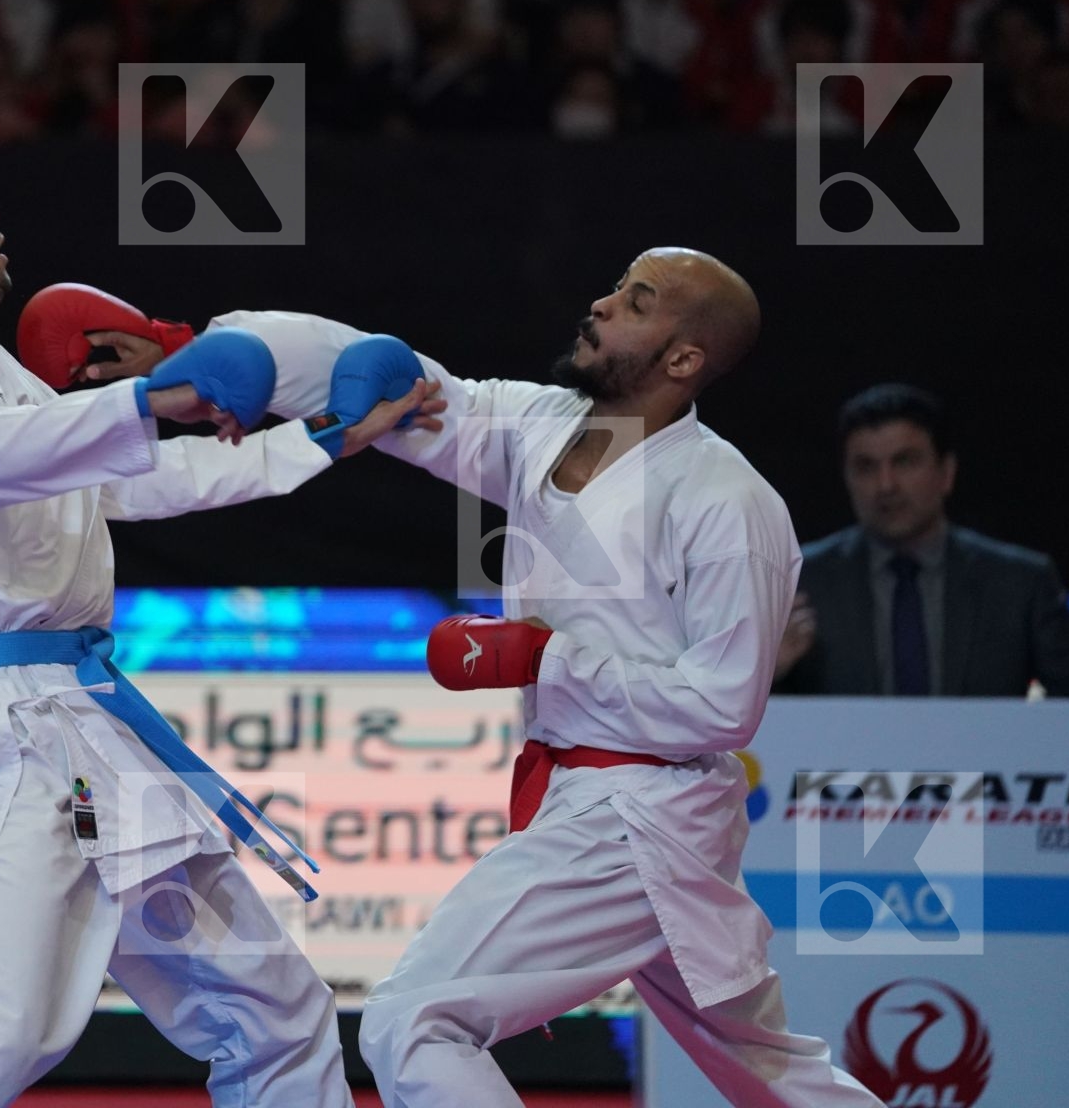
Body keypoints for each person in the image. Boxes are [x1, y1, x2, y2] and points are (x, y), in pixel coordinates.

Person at [63, 247, 886, 1106]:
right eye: (613, 285)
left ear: (684, 359)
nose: (601, 304)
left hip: (645, 817)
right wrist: (196, 356)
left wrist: (542, 656)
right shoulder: (544, 422)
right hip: (588, 798)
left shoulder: (730, 503)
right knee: (771, 1071)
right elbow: (386, 375)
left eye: (635, 302)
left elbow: (724, 707)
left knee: (414, 1022)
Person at [0, 135, 437, 1108]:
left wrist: (316, 444)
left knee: (273, 1007)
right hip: (10, 731)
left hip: (84, 727)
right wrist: (151, 396)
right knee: (1, 1033)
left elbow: (138, 481)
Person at [775, 383, 1069, 698]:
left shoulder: (1019, 584)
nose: (885, 485)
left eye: (905, 461)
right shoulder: (800, 581)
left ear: (946, 472)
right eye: (866, 467)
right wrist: (765, 676)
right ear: (846, 477)